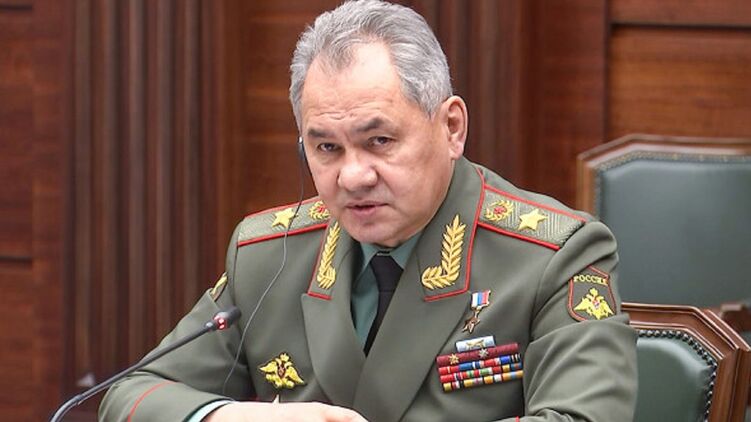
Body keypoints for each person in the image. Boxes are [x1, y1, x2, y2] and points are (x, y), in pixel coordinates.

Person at [99, 1, 637, 421]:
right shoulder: (268, 256)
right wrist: (233, 417)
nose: (353, 176)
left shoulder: (554, 256)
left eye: (379, 141)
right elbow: (131, 396)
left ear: (451, 127)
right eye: (326, 148)